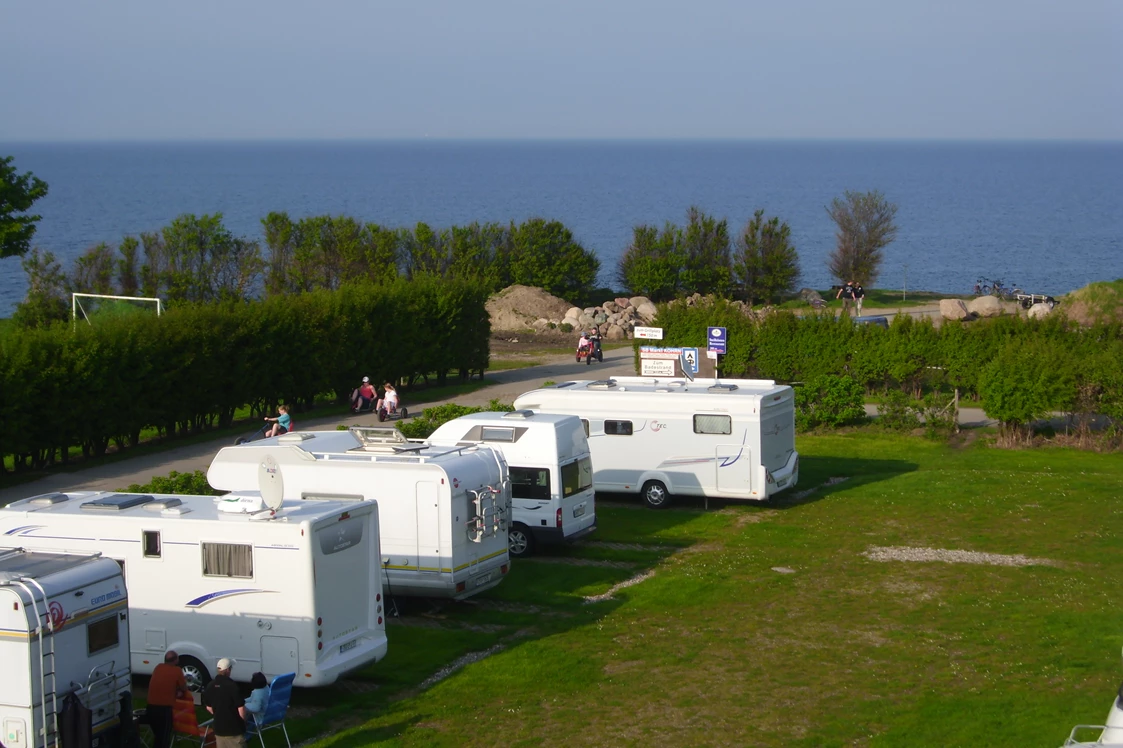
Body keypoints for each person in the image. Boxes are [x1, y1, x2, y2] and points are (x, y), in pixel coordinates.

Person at [145, 650, 188, 748]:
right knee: (164, 738)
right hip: (163, 710)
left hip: (150, 708)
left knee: (158, 737)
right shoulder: (177, 670)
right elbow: (184, 688)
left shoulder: (158, 667)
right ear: (175, 660)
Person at [202, 658, 246, 748]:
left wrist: (218, 714)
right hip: (234, 730)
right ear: (228, 670)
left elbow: (208, 707)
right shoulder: (233, 686)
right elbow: (241, 708)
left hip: (219, 730)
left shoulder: (210, 686)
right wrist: (241, 722)